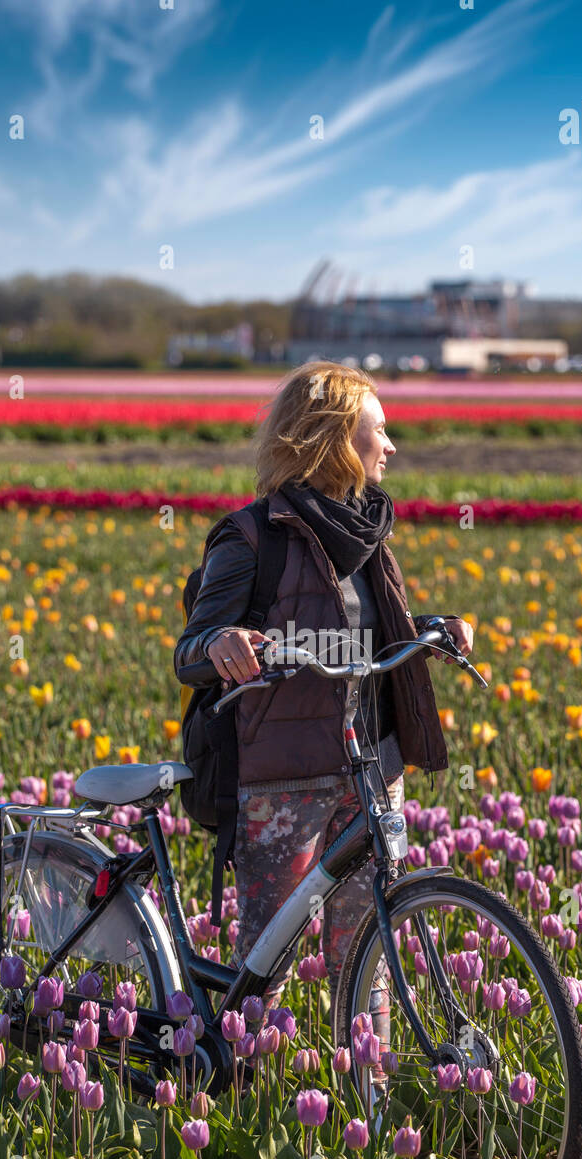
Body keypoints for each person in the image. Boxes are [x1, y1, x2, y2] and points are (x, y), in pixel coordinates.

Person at [174, 361, 474, 1034]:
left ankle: (368, 1098)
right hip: (285, 780)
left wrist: (432, 629)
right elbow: (189, 650)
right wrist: (220, 644)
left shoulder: (368, 532)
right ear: (336, 435)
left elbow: (366, 632)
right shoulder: (251, 536)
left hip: (373, 770)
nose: (390, 446)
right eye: (379, 430)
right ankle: (240, 1104)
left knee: (367, 956)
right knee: (265, 966)